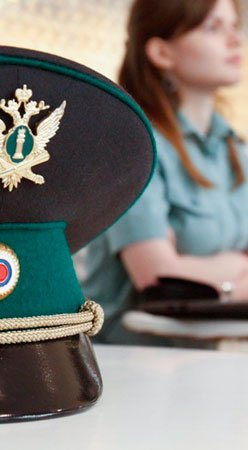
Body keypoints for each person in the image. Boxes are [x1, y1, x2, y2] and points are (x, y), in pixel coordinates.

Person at [82, 0, 247, 346]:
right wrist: (233, 278)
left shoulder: (236, 152)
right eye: (213, 27)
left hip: (213, 355)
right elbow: (157, 277)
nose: (236, 40)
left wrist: (200, 273)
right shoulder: (133, 148)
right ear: (162, 52)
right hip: (133, 359)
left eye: (234, 26)